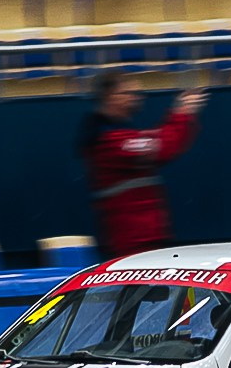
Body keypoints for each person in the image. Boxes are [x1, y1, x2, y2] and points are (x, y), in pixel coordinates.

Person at [79, 72, 206, 257]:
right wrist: (182, 113)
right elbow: (163, 146)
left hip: (142, 235)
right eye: (128, 93)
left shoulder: (111, 135)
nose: (136, 98)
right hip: (133, 240)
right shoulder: (110, 141)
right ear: (110, 97)